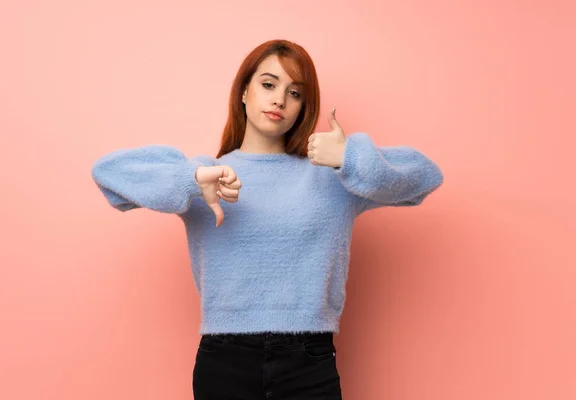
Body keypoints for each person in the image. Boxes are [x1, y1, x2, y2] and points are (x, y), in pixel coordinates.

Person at [91, 39, 443, 399]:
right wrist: (190, 180)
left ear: (303, 107)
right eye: (269, 84)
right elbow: (109, 174)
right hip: (224, 361)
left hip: (310, 360)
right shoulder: (208, 175)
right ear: (245, 91)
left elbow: (424, 177)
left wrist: (350, 158)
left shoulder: (330, 176)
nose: (279, 100)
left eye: (295, 93)